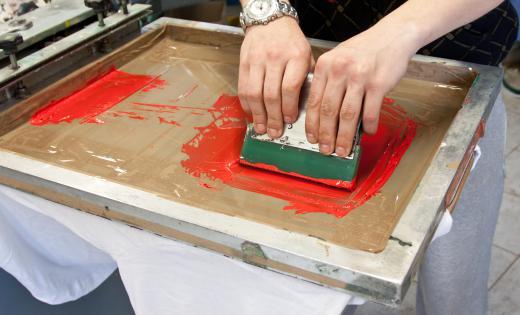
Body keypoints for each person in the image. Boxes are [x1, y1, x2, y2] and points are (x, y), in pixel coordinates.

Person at [237, 1, 518, 314]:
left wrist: (400, 31)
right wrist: (265, 13)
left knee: (453, 291)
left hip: (454, 62)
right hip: (304, 59)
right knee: (311, 287)